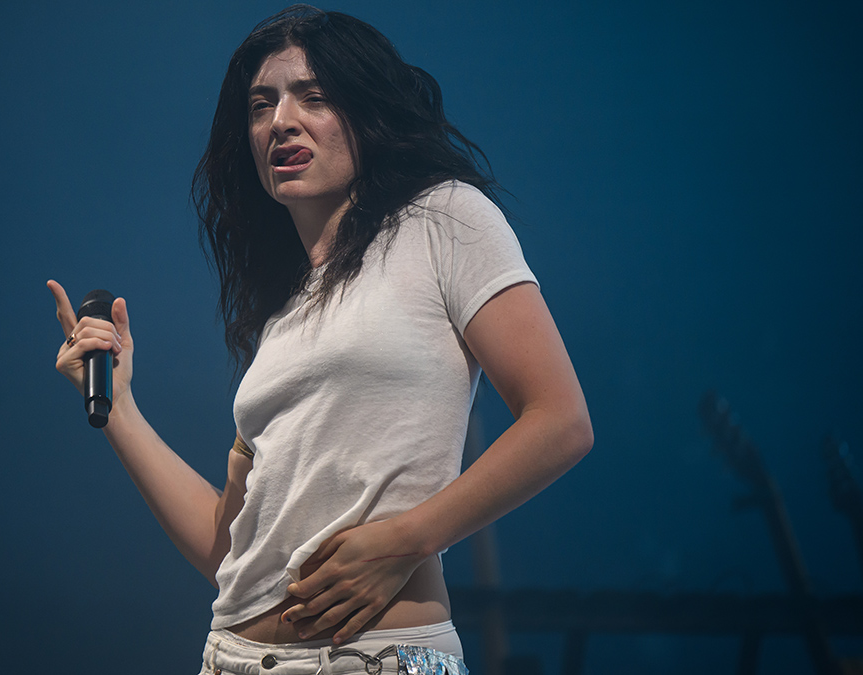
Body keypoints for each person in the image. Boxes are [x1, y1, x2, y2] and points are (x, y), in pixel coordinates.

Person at [47, 5, 593, 673]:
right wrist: (120, 410)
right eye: (261, 105)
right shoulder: (286, 312)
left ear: (367, 112)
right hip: (231, 657)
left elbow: (561, 420)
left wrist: (408, 539)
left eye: (314, 96)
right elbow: (230, 551)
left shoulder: (445, 220)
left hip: (375, 657)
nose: (281, 120)